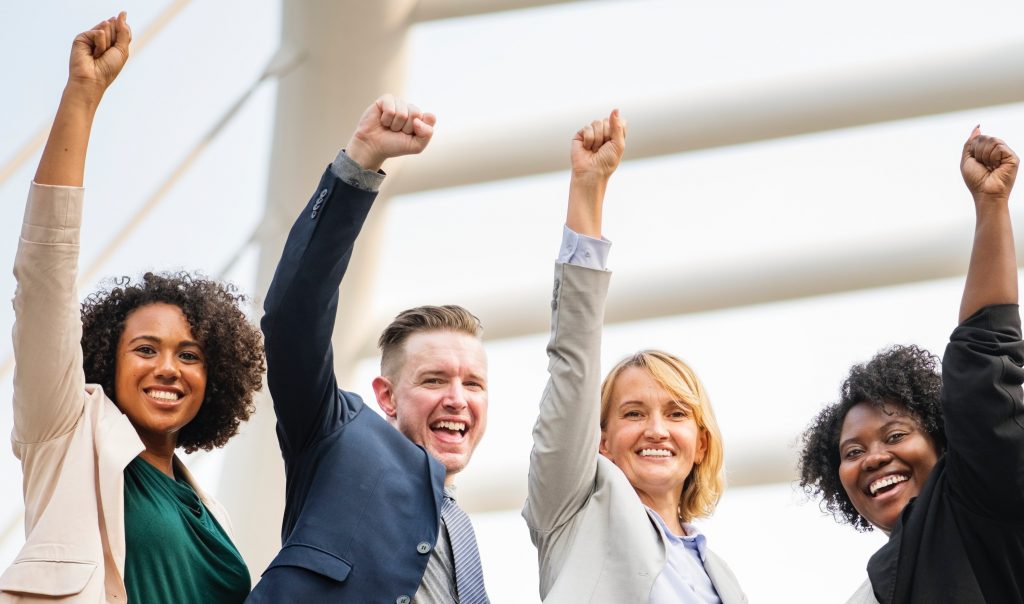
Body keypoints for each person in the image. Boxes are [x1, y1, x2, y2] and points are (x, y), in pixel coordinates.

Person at [0, 13, 265, 603]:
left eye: (189, 355)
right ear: (105, 361)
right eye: (145, 348)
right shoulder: (65, 433)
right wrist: (82, 98)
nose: (168, 367)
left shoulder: (207, 509)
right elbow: (45, 279)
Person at [248, 96, 491, 604]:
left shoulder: (460, 535)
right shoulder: (336, 435)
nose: (457, 398)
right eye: (433, 379)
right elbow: (294, 319)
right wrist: (360, 163)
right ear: (386, 396)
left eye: (473, 383)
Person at [522, 111, 746, 603]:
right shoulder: (575, 511)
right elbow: (572, 361)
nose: (656, 430)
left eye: (677, 414)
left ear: (702, 443)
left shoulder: (719, 574)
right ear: (600, 442)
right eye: (633, 413)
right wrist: (588, 189)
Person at [798, 128, 1024, 603]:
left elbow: (984, 352)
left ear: (945, 440)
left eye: (896, 435)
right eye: (852, 452)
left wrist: (991, 205)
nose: (875, 458)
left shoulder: (982, 504)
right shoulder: (874, 589)